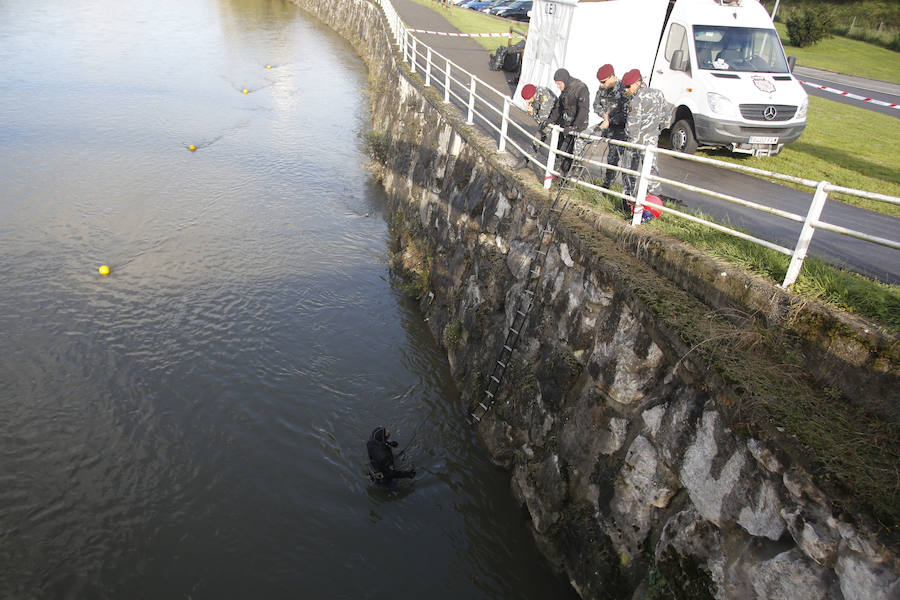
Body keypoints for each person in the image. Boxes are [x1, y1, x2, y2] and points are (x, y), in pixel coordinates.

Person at [620, 68, 672, 205]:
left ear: (637, 83)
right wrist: (657, 131)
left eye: (628, 86)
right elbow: (667, 116)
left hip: (635, 143)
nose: (626, 89)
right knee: (651, 170)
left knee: (629, 171)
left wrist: (630, 142)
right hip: (652, 140)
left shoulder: (636, 100)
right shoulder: (658, 94)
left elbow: (632, 127)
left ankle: (628, 201)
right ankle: (655, 201)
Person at [592, 64, 630, 192]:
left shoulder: (625, 89)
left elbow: (627, 113)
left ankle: (626, 192)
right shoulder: (602, 89)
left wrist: (611, 120)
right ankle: (606, 185)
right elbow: (596, 105)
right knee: (585, 136)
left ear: (612, 77)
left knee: (623, 161)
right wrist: (604, 115)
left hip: (621, 129)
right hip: (607, 125)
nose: (602, 85)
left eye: (604, 81)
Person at [547, 68, 590, 174]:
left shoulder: (580, 88)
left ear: (565, 80)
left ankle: (569, 176)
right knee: (559, 149)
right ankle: (559, 173)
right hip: (566, 123)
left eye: (559, 83)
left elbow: (584, 109)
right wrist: (550, 120)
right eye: (556, 84)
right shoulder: (564, 91)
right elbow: (559, 107)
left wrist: (575, 126)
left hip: (578, 124)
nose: (558, 86)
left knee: (571, 152)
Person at [513, 83, 558, 169]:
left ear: (533, 95)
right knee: (536, 141)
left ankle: (558, 171)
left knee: (558, 150)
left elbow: (542, 121)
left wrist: (532, 113)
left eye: (528, 99)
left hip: (555, 123)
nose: (527, 102)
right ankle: (526, 160)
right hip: (548, 121)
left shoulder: (545, 98)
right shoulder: (535, 96)